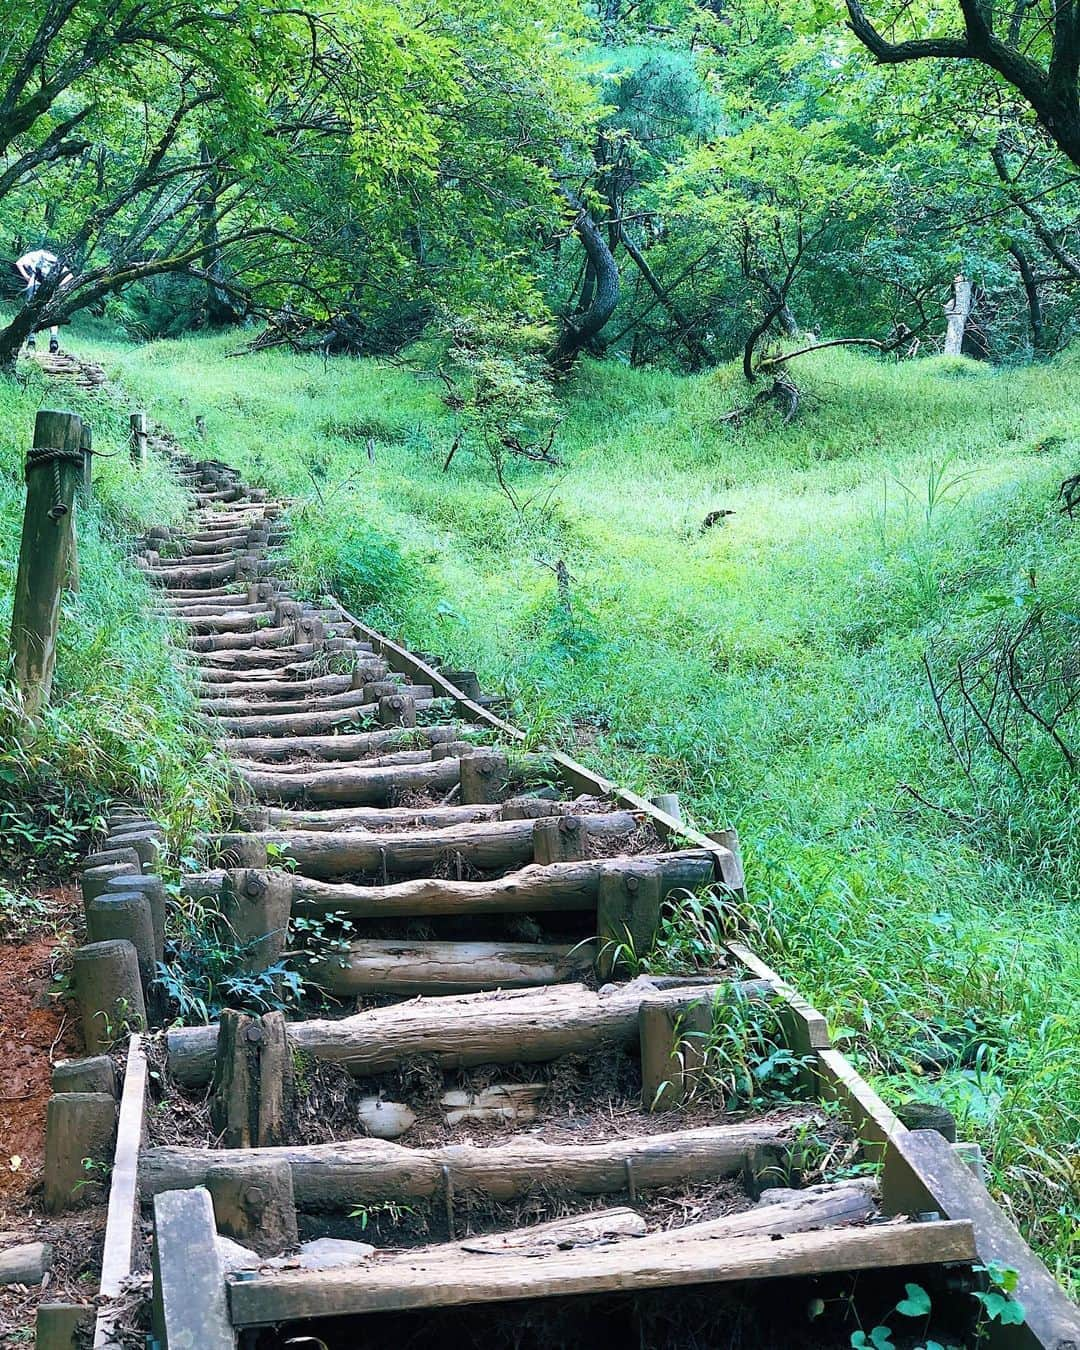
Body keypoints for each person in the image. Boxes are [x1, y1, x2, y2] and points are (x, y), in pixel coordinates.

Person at [14, 248, 71, 354]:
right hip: (51, 288)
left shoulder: (34, 255)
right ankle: (53, 340)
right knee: (51, 314)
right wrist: (59, 288)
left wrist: (27, 277)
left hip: (34, 284)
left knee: (31, 313)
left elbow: (18, 263)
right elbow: (69, 277)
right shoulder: (55, 260)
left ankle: (31, 341)